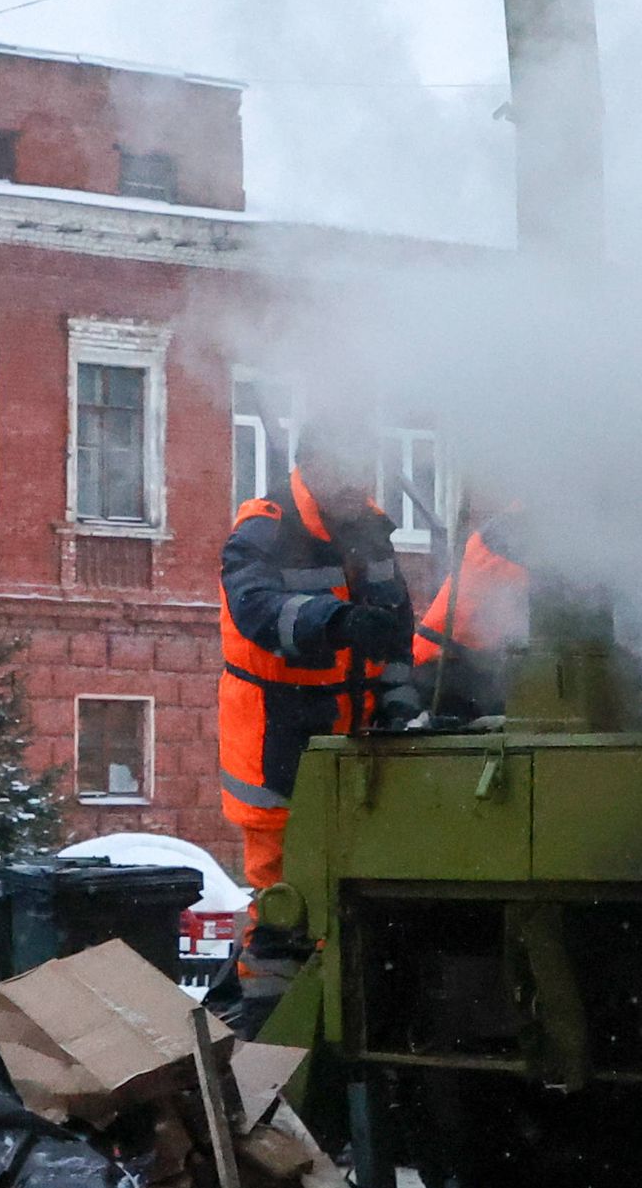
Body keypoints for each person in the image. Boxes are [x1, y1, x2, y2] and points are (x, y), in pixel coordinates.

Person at [216, 428, 420, 1029]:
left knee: (342, 904)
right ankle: (264, 1047)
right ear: (311, 467)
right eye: (348, 468)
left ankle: (319, 1033)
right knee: (285, 908)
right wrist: (337, 622)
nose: (361, 484)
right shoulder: (263, 529)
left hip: (351, 746)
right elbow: (256, 611)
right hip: (277, 745)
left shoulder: (371, 527)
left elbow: (395, 630)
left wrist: (401, 704)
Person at [410, 498, 531, 727]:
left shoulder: (518, 526)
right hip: (447, 669)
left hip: (463, 661)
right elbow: (536, 606)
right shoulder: (514, 534)